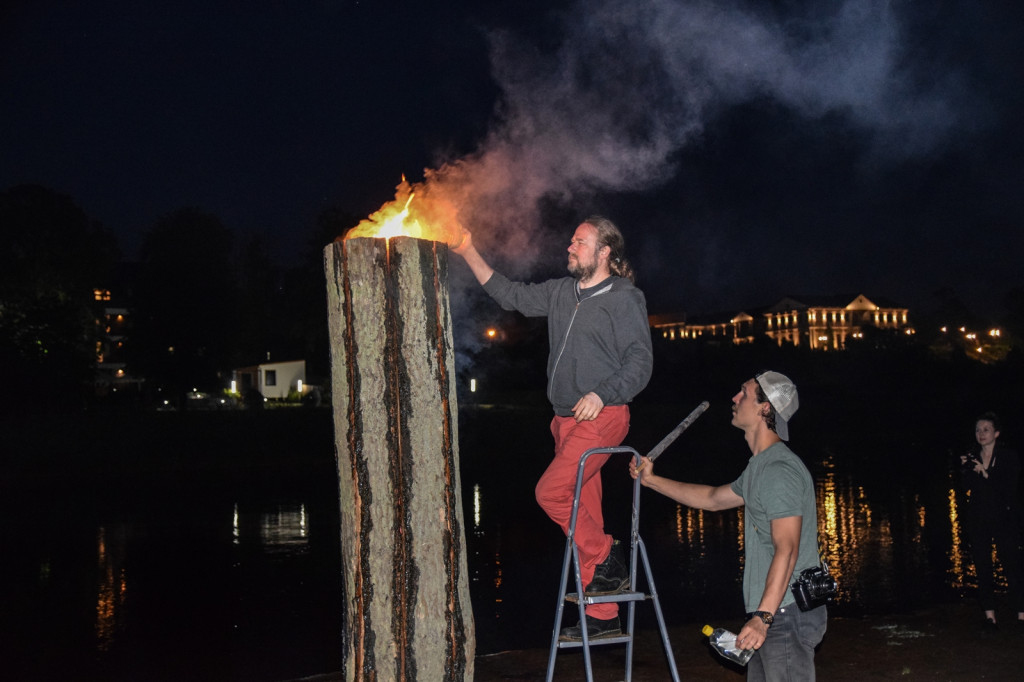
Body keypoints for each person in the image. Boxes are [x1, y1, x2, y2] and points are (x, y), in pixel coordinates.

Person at [452, 216, 653, 639]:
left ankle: (608, 557)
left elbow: (640, 361)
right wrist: (468, 248)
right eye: (572, 241)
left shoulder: (623, 297)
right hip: (564, 423)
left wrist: (603, 393)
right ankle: (602, 619)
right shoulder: (562, 292)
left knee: (552, 492)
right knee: (585, 514)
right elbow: (510, 295)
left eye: (580, 242)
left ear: (604, 253)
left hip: (603, 417)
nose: (570, 246)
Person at [631, 371, 826, 680]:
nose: (735, 399)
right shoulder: (759, 468)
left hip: (785, 613)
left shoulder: (778, 470)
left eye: (744, 394)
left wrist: (763, 617)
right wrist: (651, 480)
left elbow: (786, 549)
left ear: (765, 408)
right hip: (775, 611)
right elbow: (712, 498)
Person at [958, 412, 1024, 629]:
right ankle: (990, 616)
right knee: (983, 566)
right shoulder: (972, 456)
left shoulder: (1008, 457)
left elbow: (1008, 490)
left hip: (1004, 519)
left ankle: (1021, 613)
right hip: (979, 520)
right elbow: (966, 488)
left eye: (986, 429)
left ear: (996, 433)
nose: (981, 434)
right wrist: (966, 469)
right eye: (978, 429)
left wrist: (984, 473)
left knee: (1011, 565)